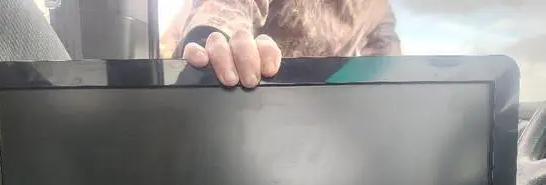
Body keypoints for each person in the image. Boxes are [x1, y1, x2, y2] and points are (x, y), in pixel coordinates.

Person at [164, 0, 401, 88]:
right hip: (247, 91)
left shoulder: (379, 10)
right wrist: (210, 37)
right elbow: (226, 7)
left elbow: (390, 67)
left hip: (320, 111)